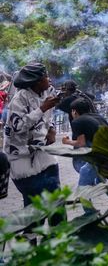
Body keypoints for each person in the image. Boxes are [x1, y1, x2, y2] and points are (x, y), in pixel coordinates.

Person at [2, 63, 62, 215]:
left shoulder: (49, 91)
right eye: (45, 77)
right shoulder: (19, 100)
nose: (49, 79)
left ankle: (60, 234)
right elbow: (18, 127)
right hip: (20, 155)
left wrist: (52, 129)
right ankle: (31, 236)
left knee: (56, 198)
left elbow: (51, 114)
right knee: (35, 204)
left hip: (42, 151)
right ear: (37, 82)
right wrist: (42, 108)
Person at [61, 98, 108, 189]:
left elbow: (80, 143)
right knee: (104, 186)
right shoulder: (99, 117)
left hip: (100, 155)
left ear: (74, 111)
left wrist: (66, 141)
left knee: (84, 174)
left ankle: (84, 199)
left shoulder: (78, 121)